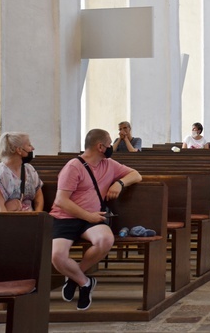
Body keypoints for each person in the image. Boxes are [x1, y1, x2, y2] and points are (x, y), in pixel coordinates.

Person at [50, 128, 142, 310]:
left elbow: (136, 174)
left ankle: (75, 277)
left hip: (91, 218)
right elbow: (61, 201)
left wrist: (119, 182)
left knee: (105, 240)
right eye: (109, 144)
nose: (111, 147)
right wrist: (88, 215)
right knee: (57, 256)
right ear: (100, 146)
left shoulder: (108, 164)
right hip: (66, 217)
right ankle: (85, 282)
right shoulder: (73, 167)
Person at [0, 132, 44, 212]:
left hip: (29, 220)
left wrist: (37, 217)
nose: (32, 148)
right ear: (19, 150)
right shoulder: (0, 175)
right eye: (29, 145)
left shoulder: (29, 170)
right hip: (6, 220)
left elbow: (38, 196)